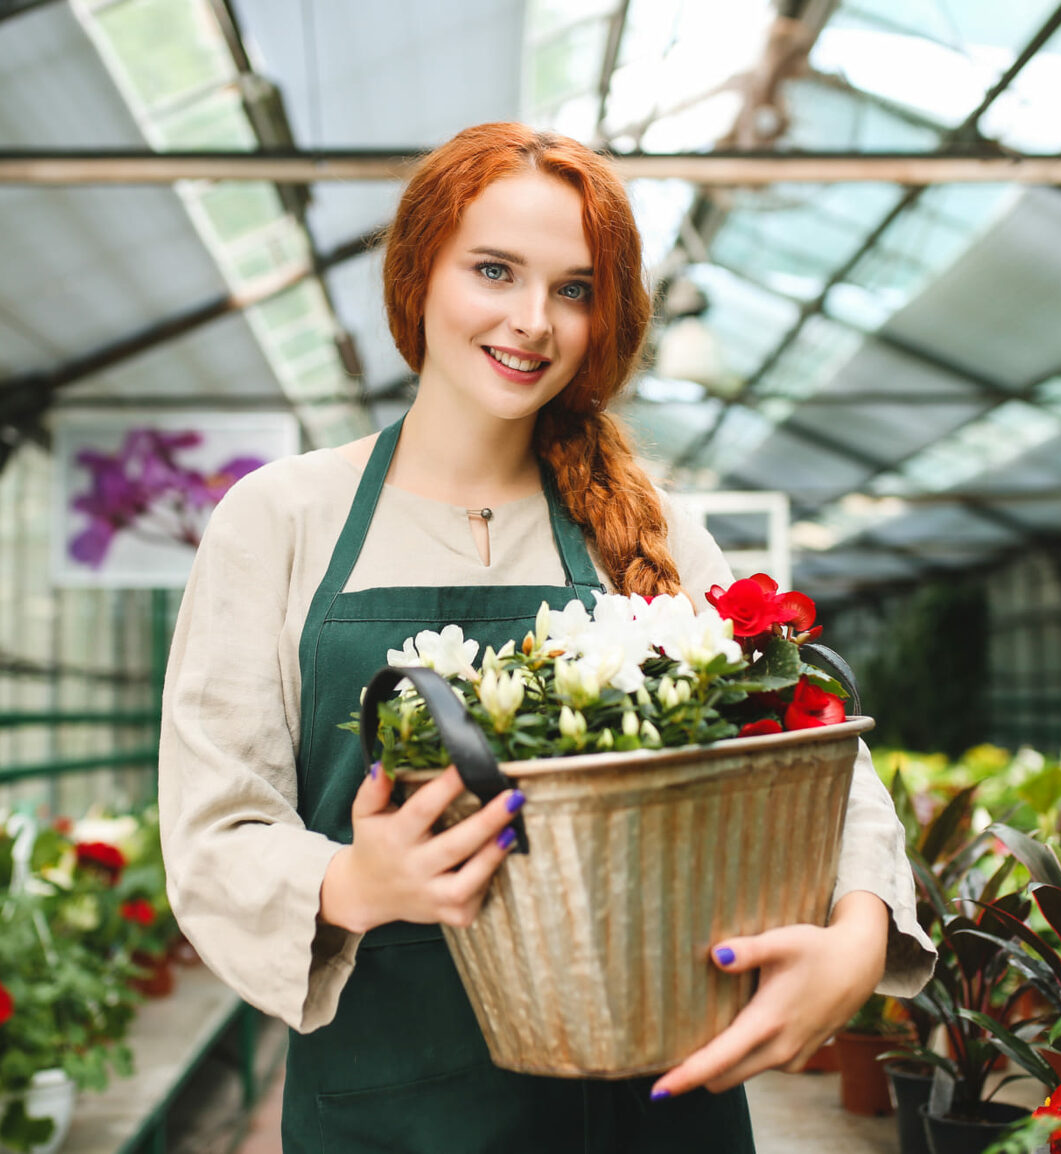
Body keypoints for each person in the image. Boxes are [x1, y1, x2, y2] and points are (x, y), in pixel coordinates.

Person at [159, 122, 933, 1153]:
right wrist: (357, 880)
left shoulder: (646, 523)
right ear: (417, 274)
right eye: (495, 270)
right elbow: (215, 832)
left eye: (574, 288)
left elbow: (817, 754)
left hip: (656, 1097)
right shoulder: (283, 517)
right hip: (392, 1105)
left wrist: (859, 931)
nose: (533, 320)